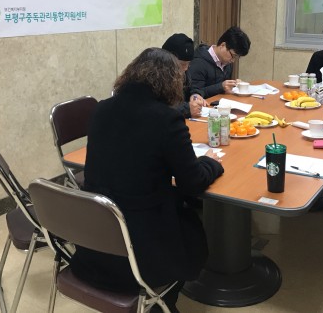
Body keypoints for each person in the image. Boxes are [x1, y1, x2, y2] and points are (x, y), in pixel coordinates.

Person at [71, 48, 224, 311]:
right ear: (170, 82)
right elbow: (192, 182)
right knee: (191, 229)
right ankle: (162, 303)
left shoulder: (101, 109)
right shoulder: (166, 119)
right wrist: (212, 163)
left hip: (94, 240)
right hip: (141, 252)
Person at [188, 26, 251, 98]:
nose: (233, 60)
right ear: (223, 45)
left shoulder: (227, 63)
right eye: (233, 55)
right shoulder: (198, 62)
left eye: (237, 57)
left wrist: (233, 85)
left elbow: (224, 89)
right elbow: (194, 95)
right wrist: (220, 87)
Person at [162, 33, 207, 118]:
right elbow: (160, 108)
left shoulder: (184, 72)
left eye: (188, 64)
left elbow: (191, 88)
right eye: (182, 64)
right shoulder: (156, 77)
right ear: (167, 60)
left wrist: (195, 95)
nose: (186, 68)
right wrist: (187, 109)